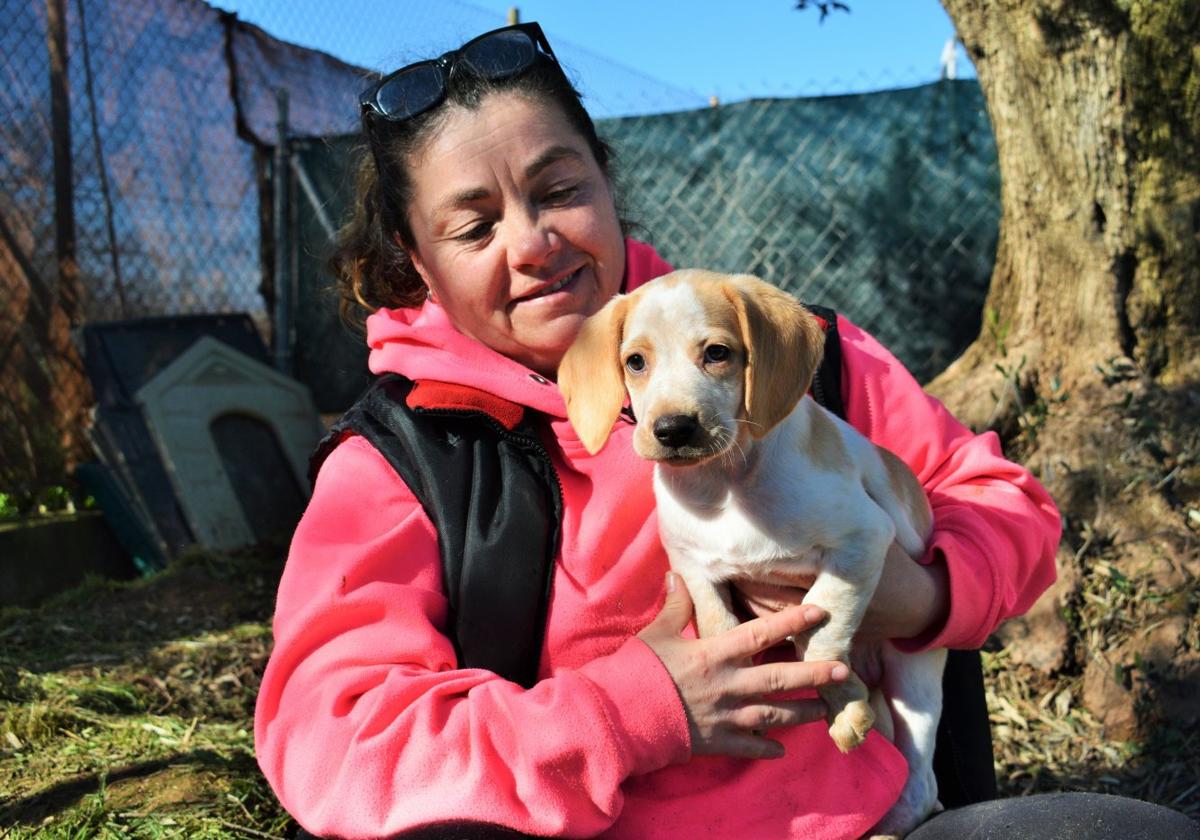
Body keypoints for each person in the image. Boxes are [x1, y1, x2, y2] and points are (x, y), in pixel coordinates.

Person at [253, 21, 1194, 840]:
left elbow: (1009, 510)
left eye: (558, 188)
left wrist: (911, 594)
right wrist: (631, 714)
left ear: (609, 187)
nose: (533, 242)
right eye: (475, 226)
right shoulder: (402, 460)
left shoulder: (791, 350)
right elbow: (333, 734)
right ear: (415, 262)